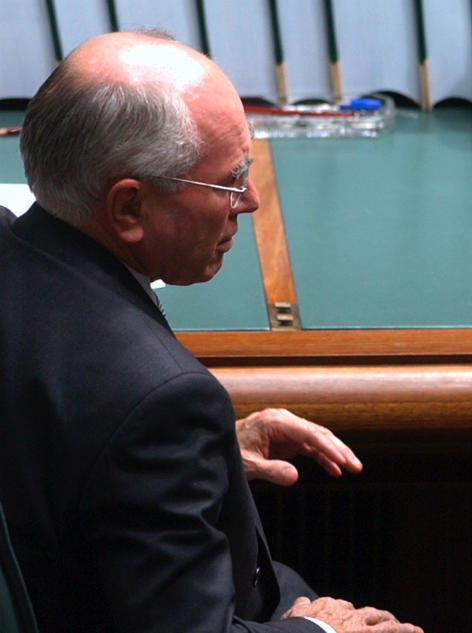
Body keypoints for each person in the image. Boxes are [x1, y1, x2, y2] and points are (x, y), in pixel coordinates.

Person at [0, 31, 423, 633]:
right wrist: (322, 631)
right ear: (129, 210)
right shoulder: (157, 399)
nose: (250, 200)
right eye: (229, 182)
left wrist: (204, 456)